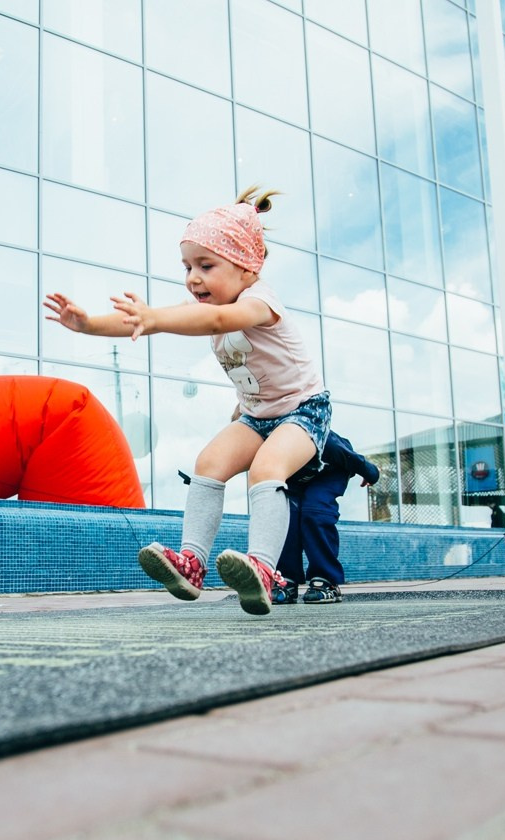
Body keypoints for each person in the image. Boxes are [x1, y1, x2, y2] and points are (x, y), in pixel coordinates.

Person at [44, 186, 329, 616]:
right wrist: (87, 325)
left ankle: (266, 571)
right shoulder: (207, 302)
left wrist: (157, 316)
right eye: (187, 266)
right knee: (209, 462)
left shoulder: (260, 302)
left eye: (206, 265)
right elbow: (141, 323)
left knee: (267, 469)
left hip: (303, 411)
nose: (193, 278)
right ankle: (191, 563)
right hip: (256, 414)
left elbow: (215, 319)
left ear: (247, 268)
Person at [271, 432, 379, 605]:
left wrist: (371, 472)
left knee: (315, 509)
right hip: (297, 476)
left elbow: (352, 458)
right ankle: (286, 579)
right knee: (287, 515)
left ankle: (326, 579)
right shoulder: (263, 449)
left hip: (332, 469)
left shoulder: (321, 439)